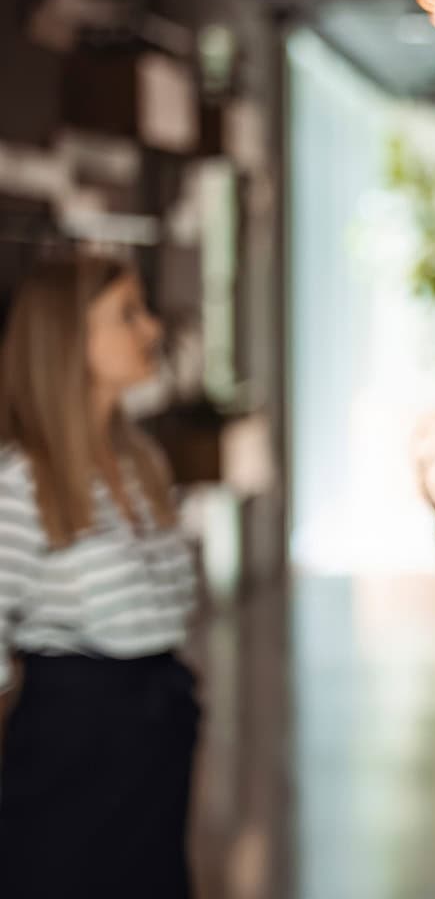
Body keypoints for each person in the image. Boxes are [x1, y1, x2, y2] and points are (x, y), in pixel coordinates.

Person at [0, 253, 200, 898]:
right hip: (70, 760)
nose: (152, 330)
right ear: (68, 341)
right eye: (128, 315)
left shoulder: (142, 463)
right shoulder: (19, 482)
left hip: (154, 749)